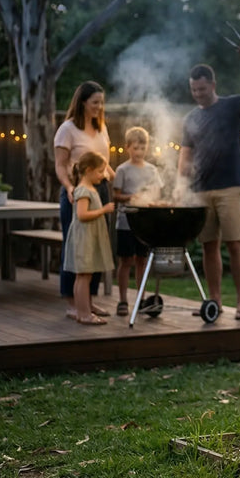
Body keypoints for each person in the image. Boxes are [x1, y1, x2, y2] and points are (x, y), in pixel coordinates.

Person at [176, 38, 240, 320]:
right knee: (208, 246)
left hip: (230, 187)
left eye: (202, 89)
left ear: (212, 85)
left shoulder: (231, 106)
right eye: (194, 90)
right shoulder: (191, 118)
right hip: (201, 191)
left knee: (235, 244)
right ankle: (213, 300)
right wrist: (181, 184)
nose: (198, 94)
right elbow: (186, 156)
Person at [54, 80, 115, 320]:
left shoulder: (101, 128)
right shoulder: (67, 129)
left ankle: (88, 302)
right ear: (82, 103)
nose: (99, 107)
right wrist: (69, 187)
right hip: (77, 194)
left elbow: (104, 164)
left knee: (96, 246)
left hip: (100, 192)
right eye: (95, 103)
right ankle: (72, 302)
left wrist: (118, 180)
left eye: (101, 102)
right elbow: (60, 165)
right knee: (77, 249)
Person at [112, 126, 164, 316]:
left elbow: (156, 193)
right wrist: (132, 197)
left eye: (142, 148)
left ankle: (141, 298)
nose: (139, 152)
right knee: (126, 261)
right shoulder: (122, 169)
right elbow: (116, 195)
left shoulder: (152, 170)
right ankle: (123, 300)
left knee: (142, 261)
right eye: (135, 148)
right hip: (126, 222)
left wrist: (154, 201)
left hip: (145, 224)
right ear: (127, 148)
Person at [63, 151, 116, 325]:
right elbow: (82, 215)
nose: (103, 175)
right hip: (84, 239)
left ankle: (82, 312)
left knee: (85, 276)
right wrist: (104, 209)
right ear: (89, 170)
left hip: (89, 238)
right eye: (100, 171)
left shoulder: (89, 188)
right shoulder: (83, 190)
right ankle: (84, 313)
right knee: (83, 276)